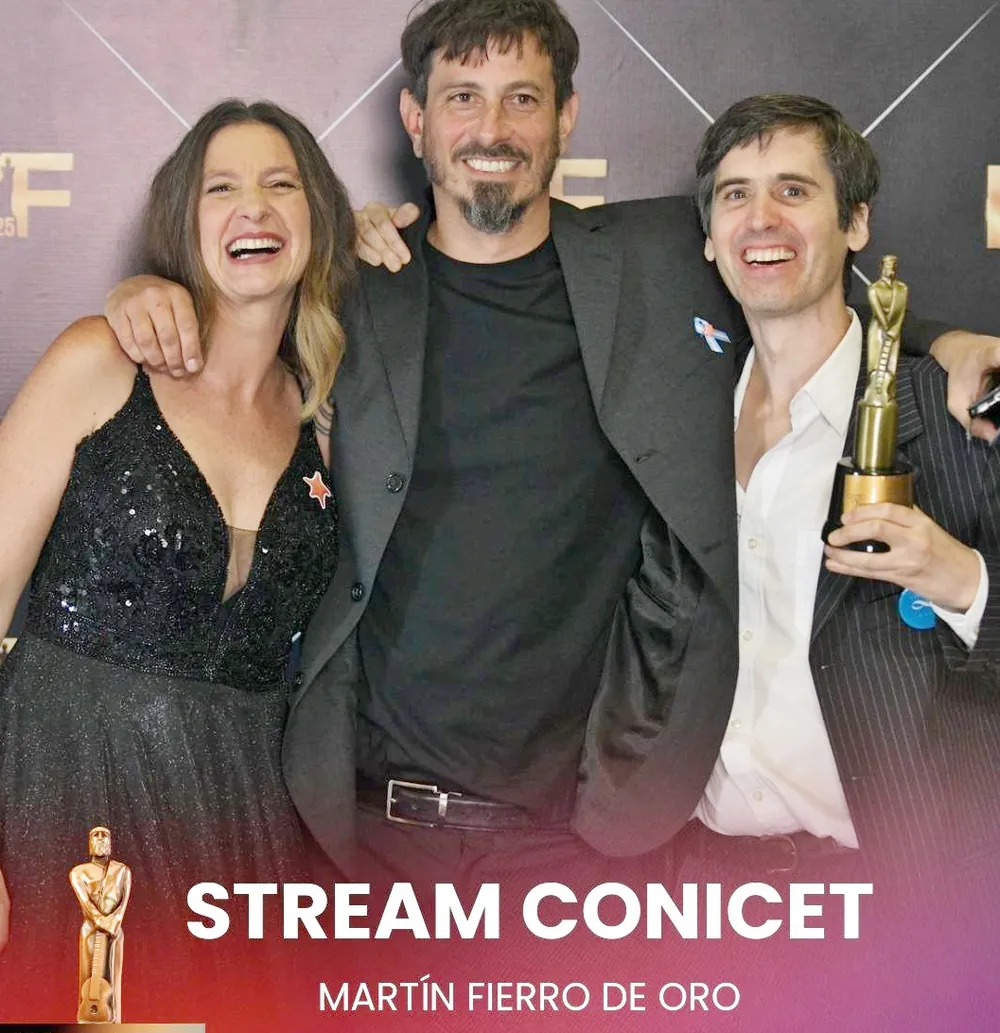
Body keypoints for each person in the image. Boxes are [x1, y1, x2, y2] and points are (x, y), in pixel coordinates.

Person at [102, 0, 999, 888]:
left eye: (523, 98)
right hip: (364, 831)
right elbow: (231, 309)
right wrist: (146, 292)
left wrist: (941, 342)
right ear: (415, 119)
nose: (492, 128)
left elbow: (798, 278)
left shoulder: (660, 256)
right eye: (462, 97)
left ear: (567, 115)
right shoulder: (356, 284)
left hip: (579, 846)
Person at [0, 98, 353, 1019]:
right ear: (182, 223)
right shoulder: (100, 361)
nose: (254, 207)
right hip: (65, 797)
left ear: (317, 219)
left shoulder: (328, 417)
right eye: (221, 188)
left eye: (281, 185)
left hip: (242, 823)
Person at [69, 827, 131, 1024]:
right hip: (91, 929)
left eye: (104, 835)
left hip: (114, 928)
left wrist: (113, 922)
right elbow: (85, 902)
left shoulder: (122, 870)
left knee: (113, 976)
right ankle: (88, 1019)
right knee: (88, 980)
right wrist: (99, 920)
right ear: (90, 842)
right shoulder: (78, 872)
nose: (100, 838)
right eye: (95, 835)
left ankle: (114, 1022)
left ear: (110, 842)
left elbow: (124, 902)